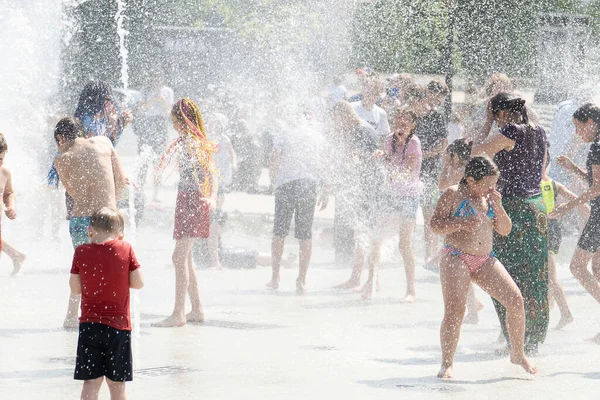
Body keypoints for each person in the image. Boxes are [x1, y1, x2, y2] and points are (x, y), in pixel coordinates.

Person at [431, 156, 537, 379]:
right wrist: (460, 223)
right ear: (470, 179)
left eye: (494, 183)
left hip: (485, 259)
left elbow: (505, 230)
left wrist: (498, 207)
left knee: (516, 300)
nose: (492, 188)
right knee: (455, 310)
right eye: (488, 184)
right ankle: (446, 363)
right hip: (456, 256)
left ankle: (517, 354)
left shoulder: (490, 198)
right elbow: (435, 225)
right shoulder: (453, 193)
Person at [471, 93, 548, 355]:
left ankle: (514, 339)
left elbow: (475, 155)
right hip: (537, 207)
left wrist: (486, 124)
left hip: (512, 207)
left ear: (499, 113)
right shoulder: (539, 130)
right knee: (536, 274)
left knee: (504, 274)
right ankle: (533, 338)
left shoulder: (510, 131)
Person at [53, 117, 129, 329]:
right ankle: (109, 317)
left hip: (80, 222)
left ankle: (71, 317)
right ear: (82, 133)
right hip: (107, 219)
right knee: (113, 271)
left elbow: (73, 192)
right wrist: (113, 205)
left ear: (60, 138)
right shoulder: (104, 142)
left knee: (83, 271)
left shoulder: (61, 159)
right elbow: (121, 181)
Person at [153, 99, 218, 327]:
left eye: (174, 121)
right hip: (185, 200)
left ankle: (178, 313)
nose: (173, 125)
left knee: (178, 257)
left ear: (183, 120)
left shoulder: (195, 143)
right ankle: (197, 310)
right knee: (186, 258)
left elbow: (212, 173)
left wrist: (212, 197)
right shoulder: (189, 141)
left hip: (194, 202)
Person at [69, 207, 143, 400]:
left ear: (90, 230)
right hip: (118, 328)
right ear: (120, 233)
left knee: (91, 381)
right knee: (117, 384)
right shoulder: (125, 248)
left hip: (89, 327)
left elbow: (75, 289)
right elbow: (139, 282)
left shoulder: (81, 251)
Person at [550, 103, 600, 342]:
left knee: (577, 267)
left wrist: (567, 207)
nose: (577, 133)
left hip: (599, 216)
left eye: (578, 127)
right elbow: (596, 182)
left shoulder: (597, 147)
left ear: (591, 122)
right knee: (597, 269)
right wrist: (575, 169)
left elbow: (597, 188)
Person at [361, 110, 422, 302]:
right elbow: (390, 163)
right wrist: (382, 157)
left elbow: (409, 172)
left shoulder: (414, 143)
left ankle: (411, 290)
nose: (401, 124)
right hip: (390, 194)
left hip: (408, 197)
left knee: (404, 245)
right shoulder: (389, 140)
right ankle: (372, 280)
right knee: (376, 238)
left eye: (405, 123)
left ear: (412, 126)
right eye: (398, 121)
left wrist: (392, 172)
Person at [266, 109, 327, 293]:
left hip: (286, 184)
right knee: (305, 234)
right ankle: (301, 280)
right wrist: (326, 189)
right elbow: (323, 162)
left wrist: (272, 179)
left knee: (279, 231)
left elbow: (275, 159)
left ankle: (275, 277)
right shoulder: (317, 137)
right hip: (309, 185)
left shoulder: (283, 133)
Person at [324, 101, 380, 286]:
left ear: (345, 114)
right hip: (356, 188)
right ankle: (359, 278)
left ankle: (368, 279)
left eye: (336, 120)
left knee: (366, 232)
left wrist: (355, 156)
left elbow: (376, 158)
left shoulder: (365, 131)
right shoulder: (349, 131)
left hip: (368, 189)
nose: (336, 124)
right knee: (360, 232)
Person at [438, 139, 484, 324]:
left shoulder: (459, 171)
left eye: (449, 155)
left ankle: (473, 309)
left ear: (455, 156)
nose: (447, 158)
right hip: (466, 220)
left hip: (460, 222)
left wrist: (444, 166)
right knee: (466, 264)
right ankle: (473, 307)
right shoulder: (469, 169)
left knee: (462, 263)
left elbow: (441, 185)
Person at [541, 146, 584, 330]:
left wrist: (586, 222)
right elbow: (580, 203)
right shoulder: (547, 184)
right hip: (543, 230)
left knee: (550, 277)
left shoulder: (549, 185)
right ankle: (550, 310)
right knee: (543, 276)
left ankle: (566, 313)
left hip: (549, 231)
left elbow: (579, 202)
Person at [411, 82, 448, 271]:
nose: (437, 101)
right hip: (411, 172)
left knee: (428, 215)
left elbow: (443, 145)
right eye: (436, 96)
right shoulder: (413, 114)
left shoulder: (437, 117)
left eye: (440, 98)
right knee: (405, 214)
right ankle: (403, 251)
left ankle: (429, 254)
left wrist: (421, 155)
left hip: (430, 172)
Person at [135, 71, 175, 202]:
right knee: (143, 161)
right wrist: (152, 99)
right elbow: (141, 111)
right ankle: (139, 192)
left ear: (162, 78)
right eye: (154, 77)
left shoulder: (168, 92)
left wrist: (161, 100)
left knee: (158, 161)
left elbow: (167, 113)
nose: (156, 80)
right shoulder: (145, 91)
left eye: (159, 78)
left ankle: (156, 194)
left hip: (160, 126)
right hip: (147, 126)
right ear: (150, 78)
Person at [0, 134, 25, 275]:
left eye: (1, 159)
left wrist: (11, 207)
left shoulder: (4, 172)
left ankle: (16, 256)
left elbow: (9, 193)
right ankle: (16, 256)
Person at [350, 78, 391, 146]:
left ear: (378, 95)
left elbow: (384, 137)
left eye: (374, 93)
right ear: (363, 91)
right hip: (352, 147)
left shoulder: (381, 113)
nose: (370, 95)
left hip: (371, 149)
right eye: (368, 91)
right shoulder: (352, 107)